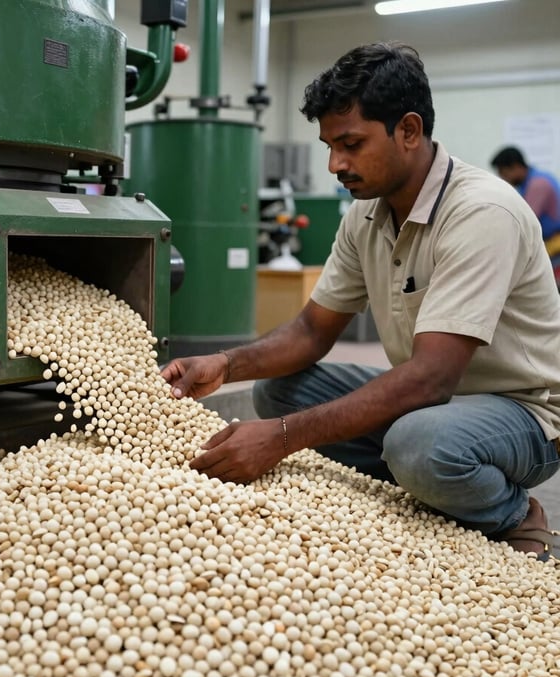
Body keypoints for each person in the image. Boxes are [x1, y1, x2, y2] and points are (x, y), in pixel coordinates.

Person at [161, 41, 560, 560]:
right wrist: (225, 363)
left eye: (350, 144)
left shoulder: (481, 213)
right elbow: (310, 333)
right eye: (329, 145)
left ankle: (512, 511)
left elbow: (430, 377)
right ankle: (421, 487)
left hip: (522, 414)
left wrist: (280, 440)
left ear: (409, 131)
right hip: (435, 403)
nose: (334, 163)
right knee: (279, 393)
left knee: (419, 445)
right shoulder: (366, 215)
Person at [490, 146, 560, 286]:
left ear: (516, 167)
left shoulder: (537, 185)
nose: (503, 179)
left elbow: (523, 222)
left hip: (555, 246)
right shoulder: (530, 181)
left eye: (504, 173)